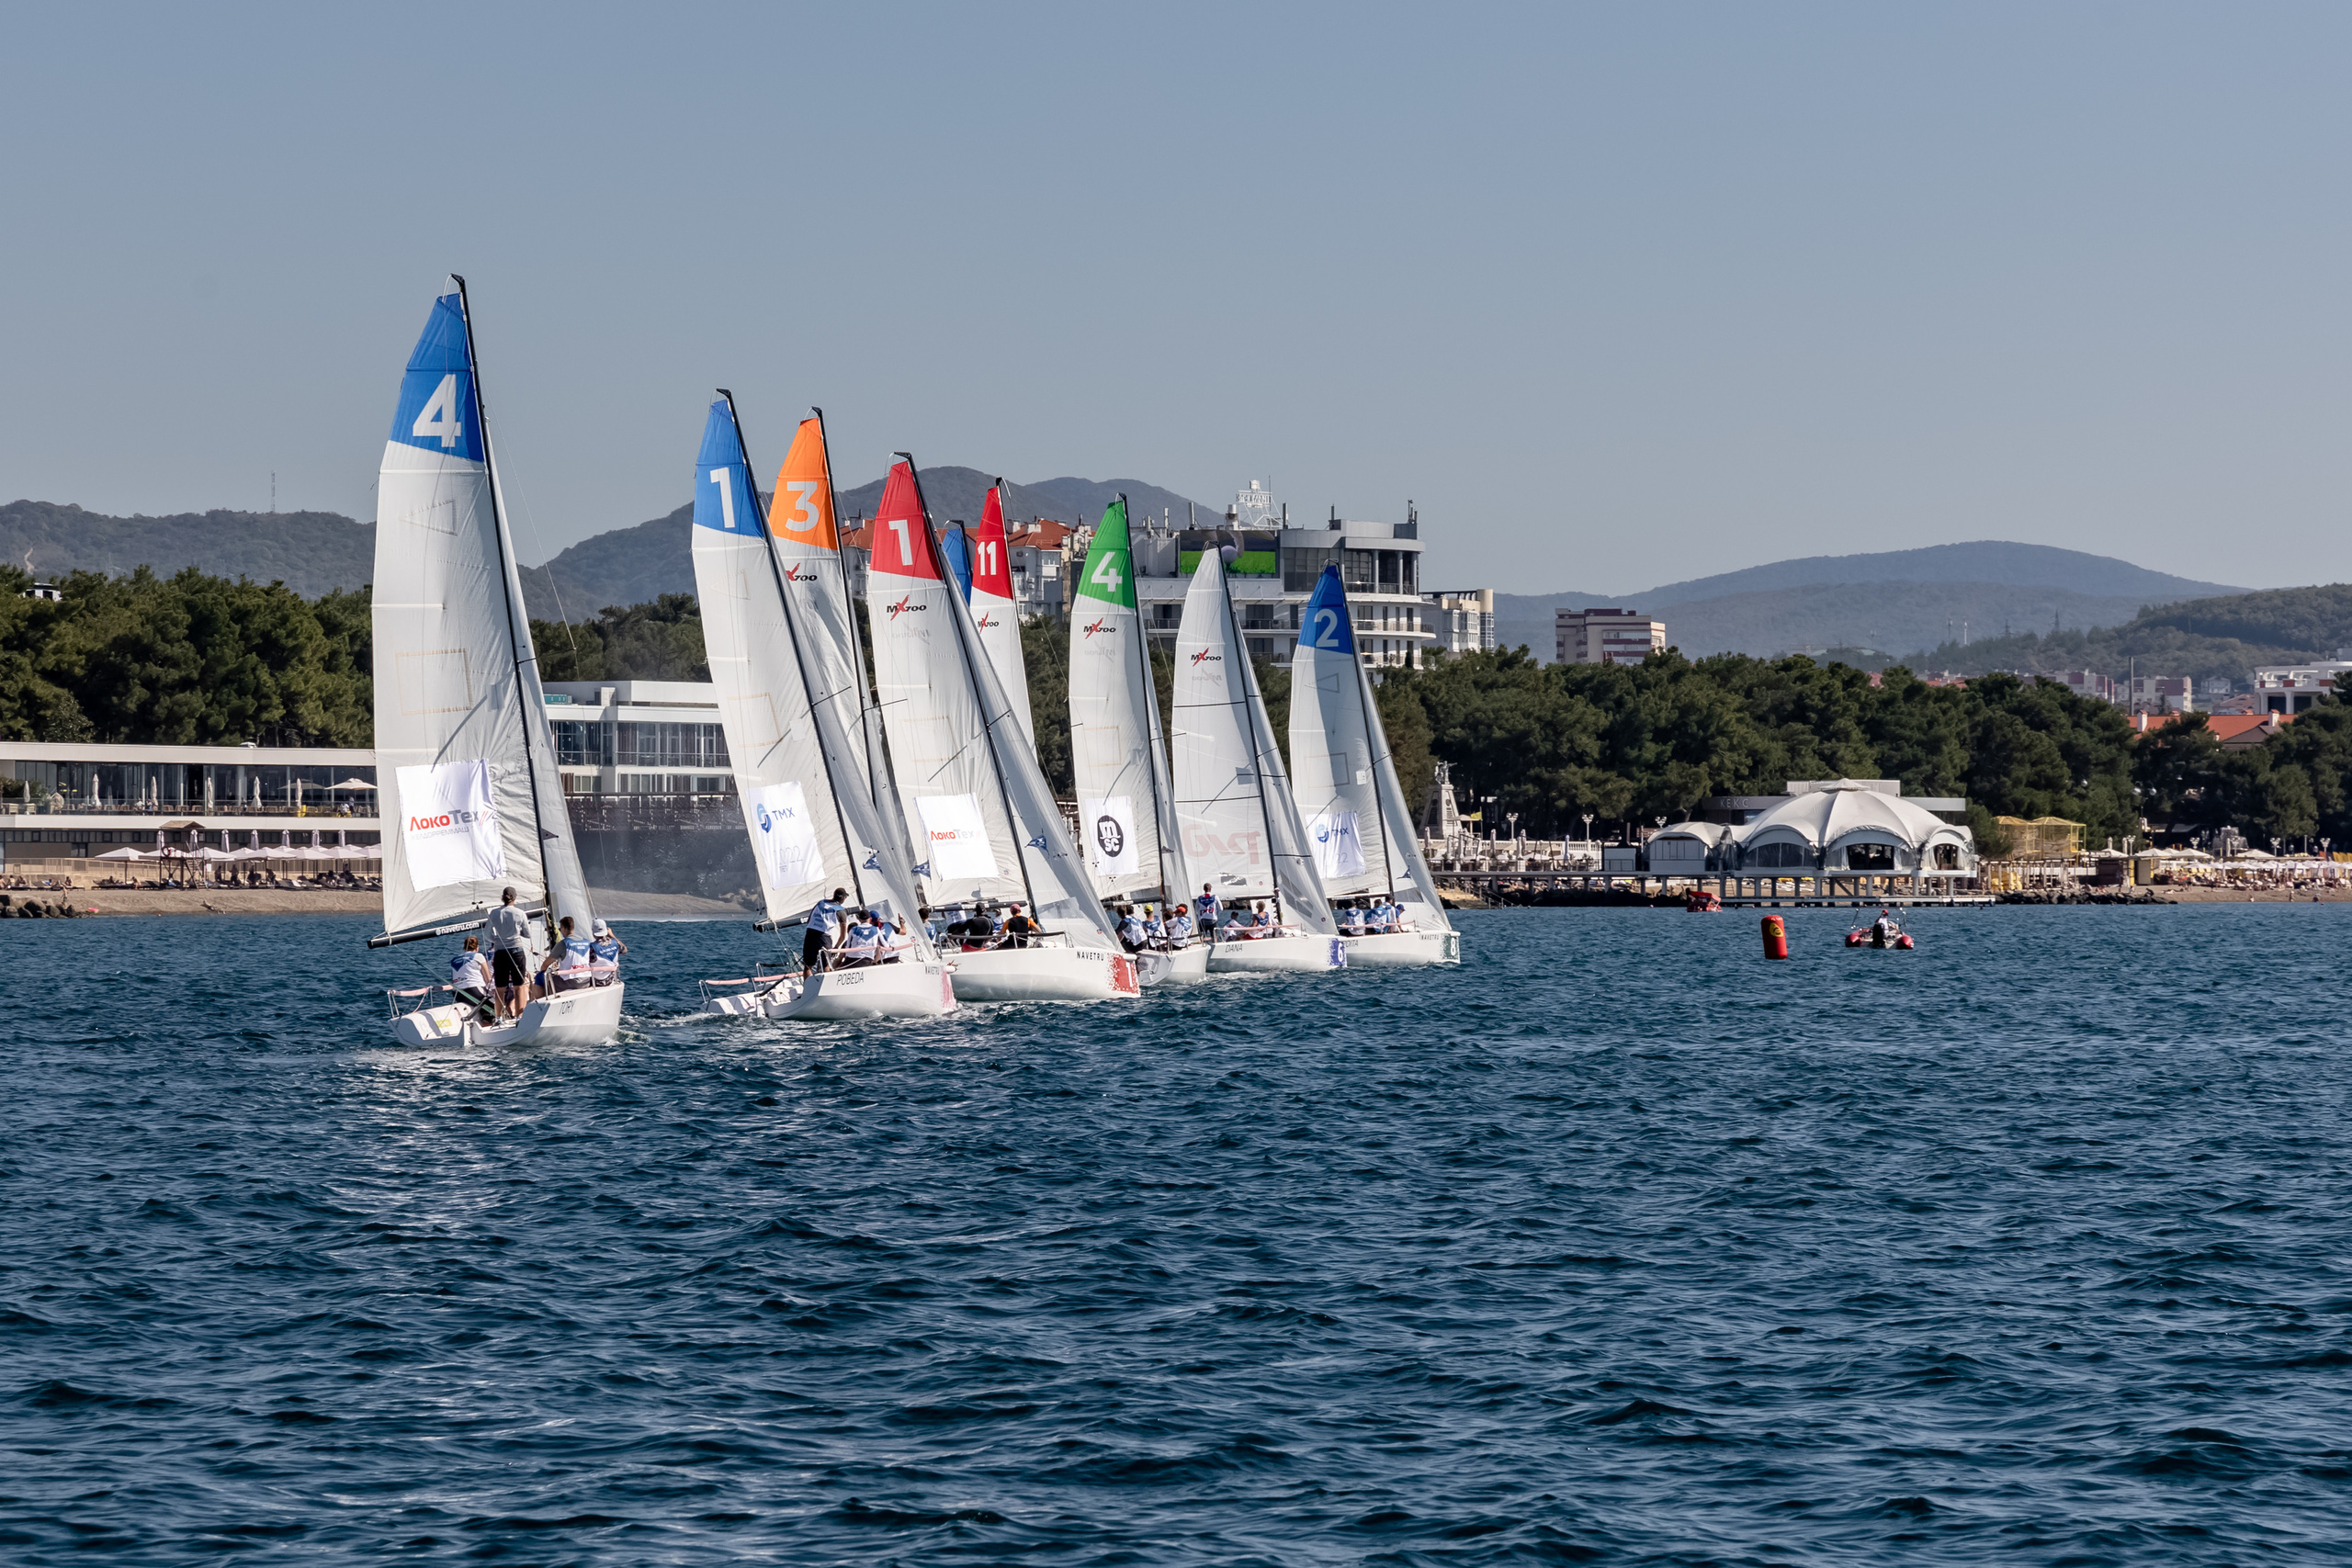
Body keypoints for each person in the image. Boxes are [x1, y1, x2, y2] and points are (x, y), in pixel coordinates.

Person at [486, 886, 532, 1020]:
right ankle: (519, 1017)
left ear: (502, 897)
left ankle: (499, 1018)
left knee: (500, 987)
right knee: (519, 985)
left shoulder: (494, 913)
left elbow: (487, 935)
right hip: (516, 950)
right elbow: (528, 934)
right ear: (515, 897)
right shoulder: (520, 913)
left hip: (500, 951)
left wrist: (497, 940)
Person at [448, 935, 495, 1025]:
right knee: (492, 1006)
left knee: (483, 1003)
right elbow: (488, 979)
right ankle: (487, 1024)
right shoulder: (478, 956)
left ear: (465, 947)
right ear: (477, 947)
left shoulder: (454, 959)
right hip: (473, 991)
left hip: (457, 993)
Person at [807, 886, 848, 972]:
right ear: (843, 898)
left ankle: (807, 984)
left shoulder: (821, 903)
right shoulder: (841, 910)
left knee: (808, 966)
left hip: (810, 932)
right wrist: (836, 948)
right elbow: (843, 935)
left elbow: (809, 920)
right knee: (826, 964)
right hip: (824, 936)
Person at [589, 919, 626, 986]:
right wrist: (612, 935)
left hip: (596, 981)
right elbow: (624, 950)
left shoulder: (591, 947)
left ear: (593, 931)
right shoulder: (615, 943)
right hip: (611, 980)